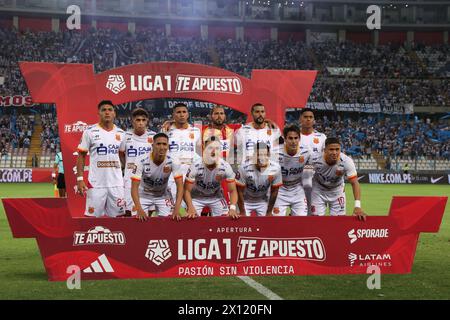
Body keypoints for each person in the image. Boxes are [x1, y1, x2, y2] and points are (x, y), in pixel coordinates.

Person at [76, 100, 126, 217]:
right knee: (92, 219)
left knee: (119, 219)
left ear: (114, 113)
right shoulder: (89, 132)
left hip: (117, 184)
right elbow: (81, 156)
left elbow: (123, 157)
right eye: (104, 110)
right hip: (96, 184)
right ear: (98, 113)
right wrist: (79, 179)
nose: (107, 112)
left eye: (110, 110)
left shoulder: (121, 133)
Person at [130, 133, 183, 221]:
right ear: (152, 145)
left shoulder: (174, 161)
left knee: (170, 221)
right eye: (158, 144)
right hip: (143, 195)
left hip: (162, 195)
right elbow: (134, 187)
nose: (162, 147)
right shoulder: (141, 160)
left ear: (168, 146)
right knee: (138, 220)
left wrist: (177, 208)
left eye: (164, 144)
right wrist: (139, 209)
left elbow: (180, 187)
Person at [310, 137, 367, 220]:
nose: (334, 152)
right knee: (316, 221)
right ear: (325, 150)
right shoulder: (314, 159)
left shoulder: (346, 161)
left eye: (337, 149)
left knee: (339, 223)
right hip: (318, 191)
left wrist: (357, 206)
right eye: (331, 149)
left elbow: (355, 183)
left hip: (337, 192)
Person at [184, 136, 239, 219]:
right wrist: (190, 206)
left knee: (226, 219)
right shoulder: (195, 166)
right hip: (196, 198)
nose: (213, 151)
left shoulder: (225, 166)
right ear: (204, 149)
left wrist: (233, 208)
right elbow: (186, 190)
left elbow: (232, 190)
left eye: (217, 148)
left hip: (216, 197)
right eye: (210, 148)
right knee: (191, 219)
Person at [162, 103, 202, 205]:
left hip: (190, 176)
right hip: (171, 176)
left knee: (190, 211)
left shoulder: (196, 131)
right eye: (178, 112)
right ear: (173, 115)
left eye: (184, 112)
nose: (181, 115)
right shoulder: (166, 130)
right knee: (173, 210)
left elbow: (199, 154)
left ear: (188, 114)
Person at [119, 108, 156, 216]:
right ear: (132, 121)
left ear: (147, 121)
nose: (140, 123)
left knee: (150, 210)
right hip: (130, 178)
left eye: (143, 120)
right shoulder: (125, 136)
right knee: (128, 210)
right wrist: (128, 165)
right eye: (137, 120)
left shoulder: (153, 136)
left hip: (148, 179)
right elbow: (121, 154)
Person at [273, 124, 312, 216]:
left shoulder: (307, 152)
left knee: (300, 222)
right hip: (280, 190)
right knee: (276, 223)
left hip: (297, 190)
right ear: (285, 139)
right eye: (290, 138)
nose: (293, 141)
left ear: (299, 139)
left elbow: (309, 176)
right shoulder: (275, 153)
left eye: (296, 138)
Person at [236, 142, 282, 216]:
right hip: (246, 200)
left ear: (269, 155)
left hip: (263, 200)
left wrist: (269, 211)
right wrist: (242, 211)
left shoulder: (276, 168)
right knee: (241, 222)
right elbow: (239, 191)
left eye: (265, 155)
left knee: (266, 225)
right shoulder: (244, 168)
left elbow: (274, 191)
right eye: (259, 155)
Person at [298, 108, 327, 214]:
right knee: (299, 213)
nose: (308, 119)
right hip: (297, 181)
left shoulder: (322, 137)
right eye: (305, 117)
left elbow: (325, 160)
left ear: (314, 120)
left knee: (313, 213)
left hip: (316, 182)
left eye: (311, 117)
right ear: (300, 119)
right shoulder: (293, 137)